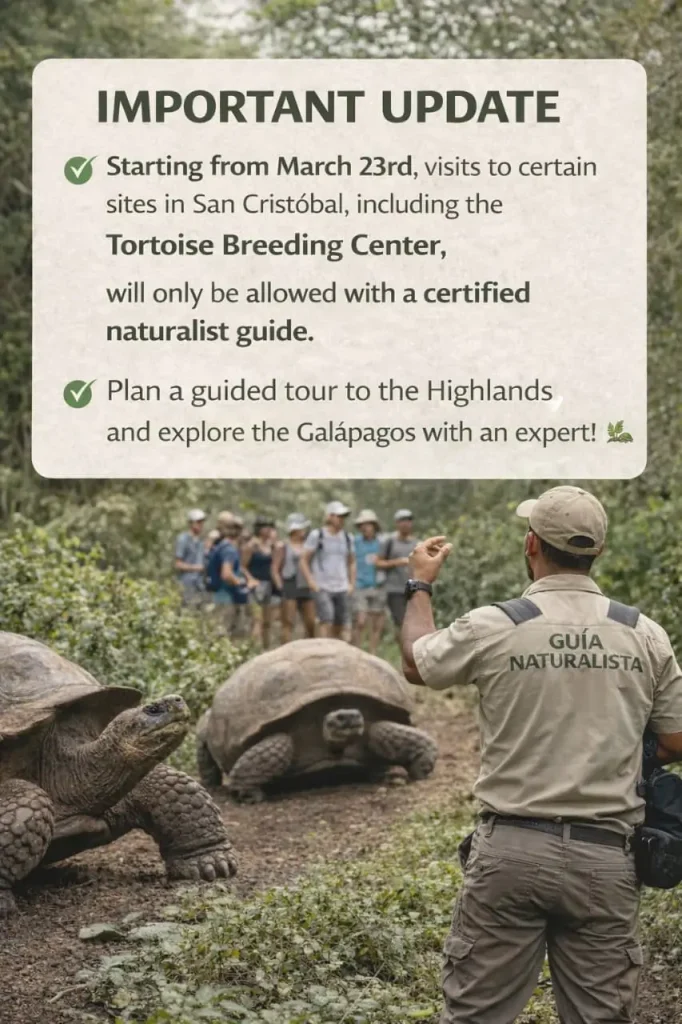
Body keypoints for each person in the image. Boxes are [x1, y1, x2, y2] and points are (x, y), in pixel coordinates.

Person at [399, 485, 682, 1024]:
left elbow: (418, 663)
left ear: (531, 544)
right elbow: (676, 739)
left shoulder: (496, 623)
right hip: (607, 858)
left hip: (511, 851)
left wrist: (419, 586)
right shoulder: (643, 632)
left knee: (476, 1014)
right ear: (597, 551)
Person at [300, 500, 356, 640]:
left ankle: (335, 649)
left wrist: (351, 583)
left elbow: (351, 561)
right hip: (322, 585)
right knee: (326, 618)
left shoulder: (348, 538)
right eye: (338, 516)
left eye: (343, 516)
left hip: (341, 586)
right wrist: (311, 581)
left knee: (340, 622)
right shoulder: (317, 535)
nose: (341, 519)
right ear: (330, 516)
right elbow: (304, 560)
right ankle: (323, 649)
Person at [204, 511, 250, 639]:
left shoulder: (222, 546)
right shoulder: (228, 549)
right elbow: (226, 574)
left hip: (220, 595)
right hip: (225, 597)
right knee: (222, 634)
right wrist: (239, 583)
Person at [272, 513, 316, 644]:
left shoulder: (308, 545)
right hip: (290, 583)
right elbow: (275, 568)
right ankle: (285, 649)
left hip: (306, 584)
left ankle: (309, 646)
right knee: (288, 621)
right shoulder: (283, 546)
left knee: (311, 621)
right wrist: (280, 586)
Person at [375, 509, 419, 636]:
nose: (405, 524)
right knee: (401, 622)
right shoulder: (389, 541)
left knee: (414, 622)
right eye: (402, 521)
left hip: (413, 588)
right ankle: (404, 653)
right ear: (397, 523)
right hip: (394, 589)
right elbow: (378, 563)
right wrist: (397, 562)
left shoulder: (416, 543)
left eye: (408, 520)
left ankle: (412, 651)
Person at [242, 515, 280, 650]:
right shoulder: (251, 545)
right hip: (255, 587)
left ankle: (266, 648)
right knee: (257, 620)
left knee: (267, 622)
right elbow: (242, 566)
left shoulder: (270, 545)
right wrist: (250, 579)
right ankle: (254, 649)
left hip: (268, 585)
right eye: (266, 527)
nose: (269, 529)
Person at [351, 509, 386, 654]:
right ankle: (357, 651)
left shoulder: (382, 542)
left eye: (368, 524)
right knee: (360, 621)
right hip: (360, 585)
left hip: (378, 586)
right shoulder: (355, 542)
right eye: (362, 525)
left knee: (376, 623)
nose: (365, 527)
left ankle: (373, 652)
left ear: (374, 526)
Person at [174, 509, 207, 607]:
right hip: (187, 583)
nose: (201, 525)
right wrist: (195, 568)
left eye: (202, 522)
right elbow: (178, 564)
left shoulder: (201, 541)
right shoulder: (183, 539)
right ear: (191, 523)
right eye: (198, 522)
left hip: (199, 584)